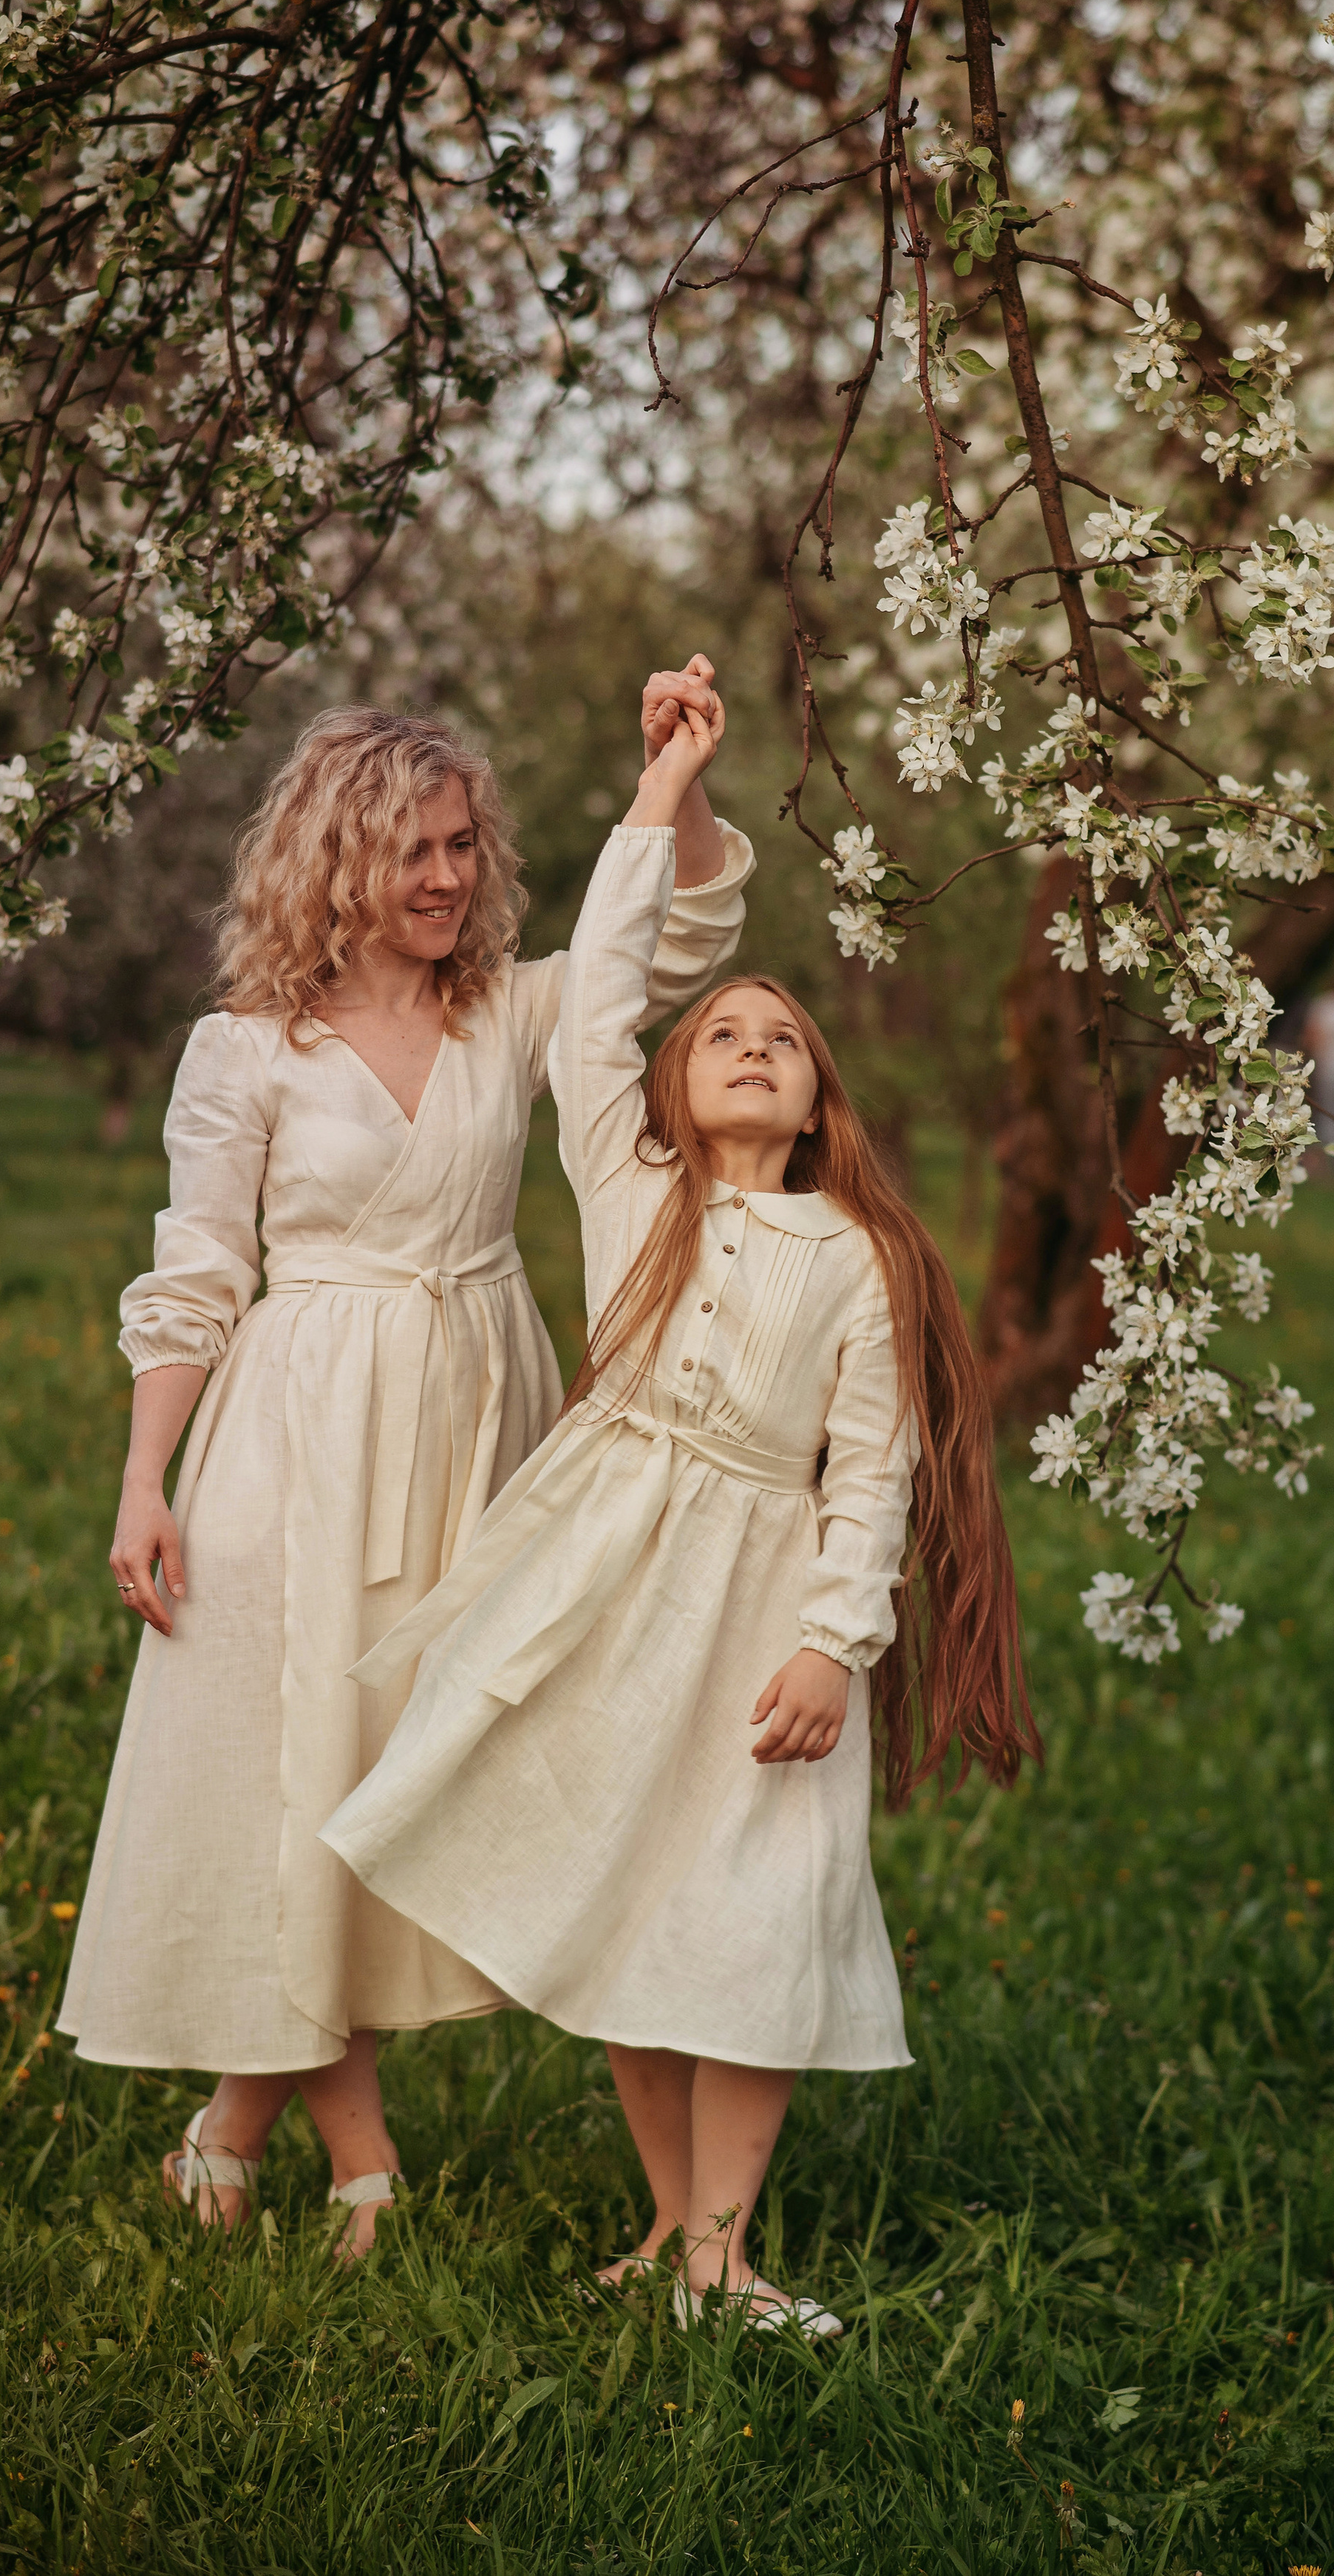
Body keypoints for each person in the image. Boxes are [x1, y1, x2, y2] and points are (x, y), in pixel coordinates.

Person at [321, 688, 1038, 2327]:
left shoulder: (854, 1256)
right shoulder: (631, 1193)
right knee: (633, 1895)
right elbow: (584, 1027)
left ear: (818, 1101)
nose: (753, 1046)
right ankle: (671, 2237)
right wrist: (661, 788)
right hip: (608, 1584)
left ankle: (725, 2249)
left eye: (781, 1038)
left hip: (758, 1606)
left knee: (750, 1909)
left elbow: (874, 1470)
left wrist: (832, 1645)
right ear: (666, 1090)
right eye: (720, 1030)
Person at [59, 680, 753, 2254]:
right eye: (411, 853)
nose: (445, 878)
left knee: (402, 1778)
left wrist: (679, 780)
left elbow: (679, 942)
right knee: (300, 1775)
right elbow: (191, 1273)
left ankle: (232, 2121)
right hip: (296, 1426)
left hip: (472, 1418)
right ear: (329, 864)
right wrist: (143, 1479)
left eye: (460, 846)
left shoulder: (508, 1012)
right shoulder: (243, 1050)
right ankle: (360, 2149)